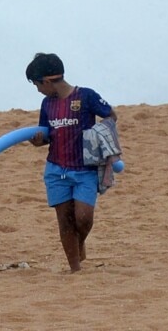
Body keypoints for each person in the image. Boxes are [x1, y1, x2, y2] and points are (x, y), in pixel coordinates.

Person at [26, 53, 119, 273]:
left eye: (37, 84)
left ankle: (80, 243)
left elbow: (111, 115)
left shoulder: (86, 97)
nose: (38, 90)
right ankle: (75, 268)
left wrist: (99, 136)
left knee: (83, 217)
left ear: (46, 81)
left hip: (85, 169)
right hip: (56, 169)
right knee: (65, 220)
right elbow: (46, 134)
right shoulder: (47, 104)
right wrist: (39, 140)